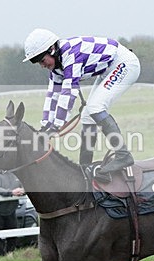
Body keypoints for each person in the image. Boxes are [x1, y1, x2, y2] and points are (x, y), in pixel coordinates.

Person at [23, 28, 141, 176]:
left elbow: (68, 94)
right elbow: (52, 96)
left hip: (125, 64)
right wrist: (45, 126)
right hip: (108, 69)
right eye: (37, 62)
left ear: (52, 50)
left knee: (95, 107)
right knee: (87, 115)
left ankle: (123, 155)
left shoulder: (70, 55)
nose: (42, 65)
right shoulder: (57, 67)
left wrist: (56, 127)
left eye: (42, 60)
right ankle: (85, 168)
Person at [0, 171, 25, 256]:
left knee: (13, 234)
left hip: (11, 210)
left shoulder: (15, 174)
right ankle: (0, 257)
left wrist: (23, 190)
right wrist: (11, 192)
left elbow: (24, 185)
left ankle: (10, 255)